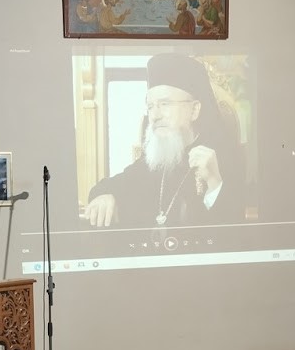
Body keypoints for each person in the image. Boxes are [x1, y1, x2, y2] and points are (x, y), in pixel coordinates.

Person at [84, 53, 244, 228]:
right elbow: (112, 185)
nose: (155, 116)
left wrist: (214, 182)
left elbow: (234, 230)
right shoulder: (158, 157)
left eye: (165, 104)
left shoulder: (223, 156)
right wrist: (105, 195)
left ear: (194, 110)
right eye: (150, 106)